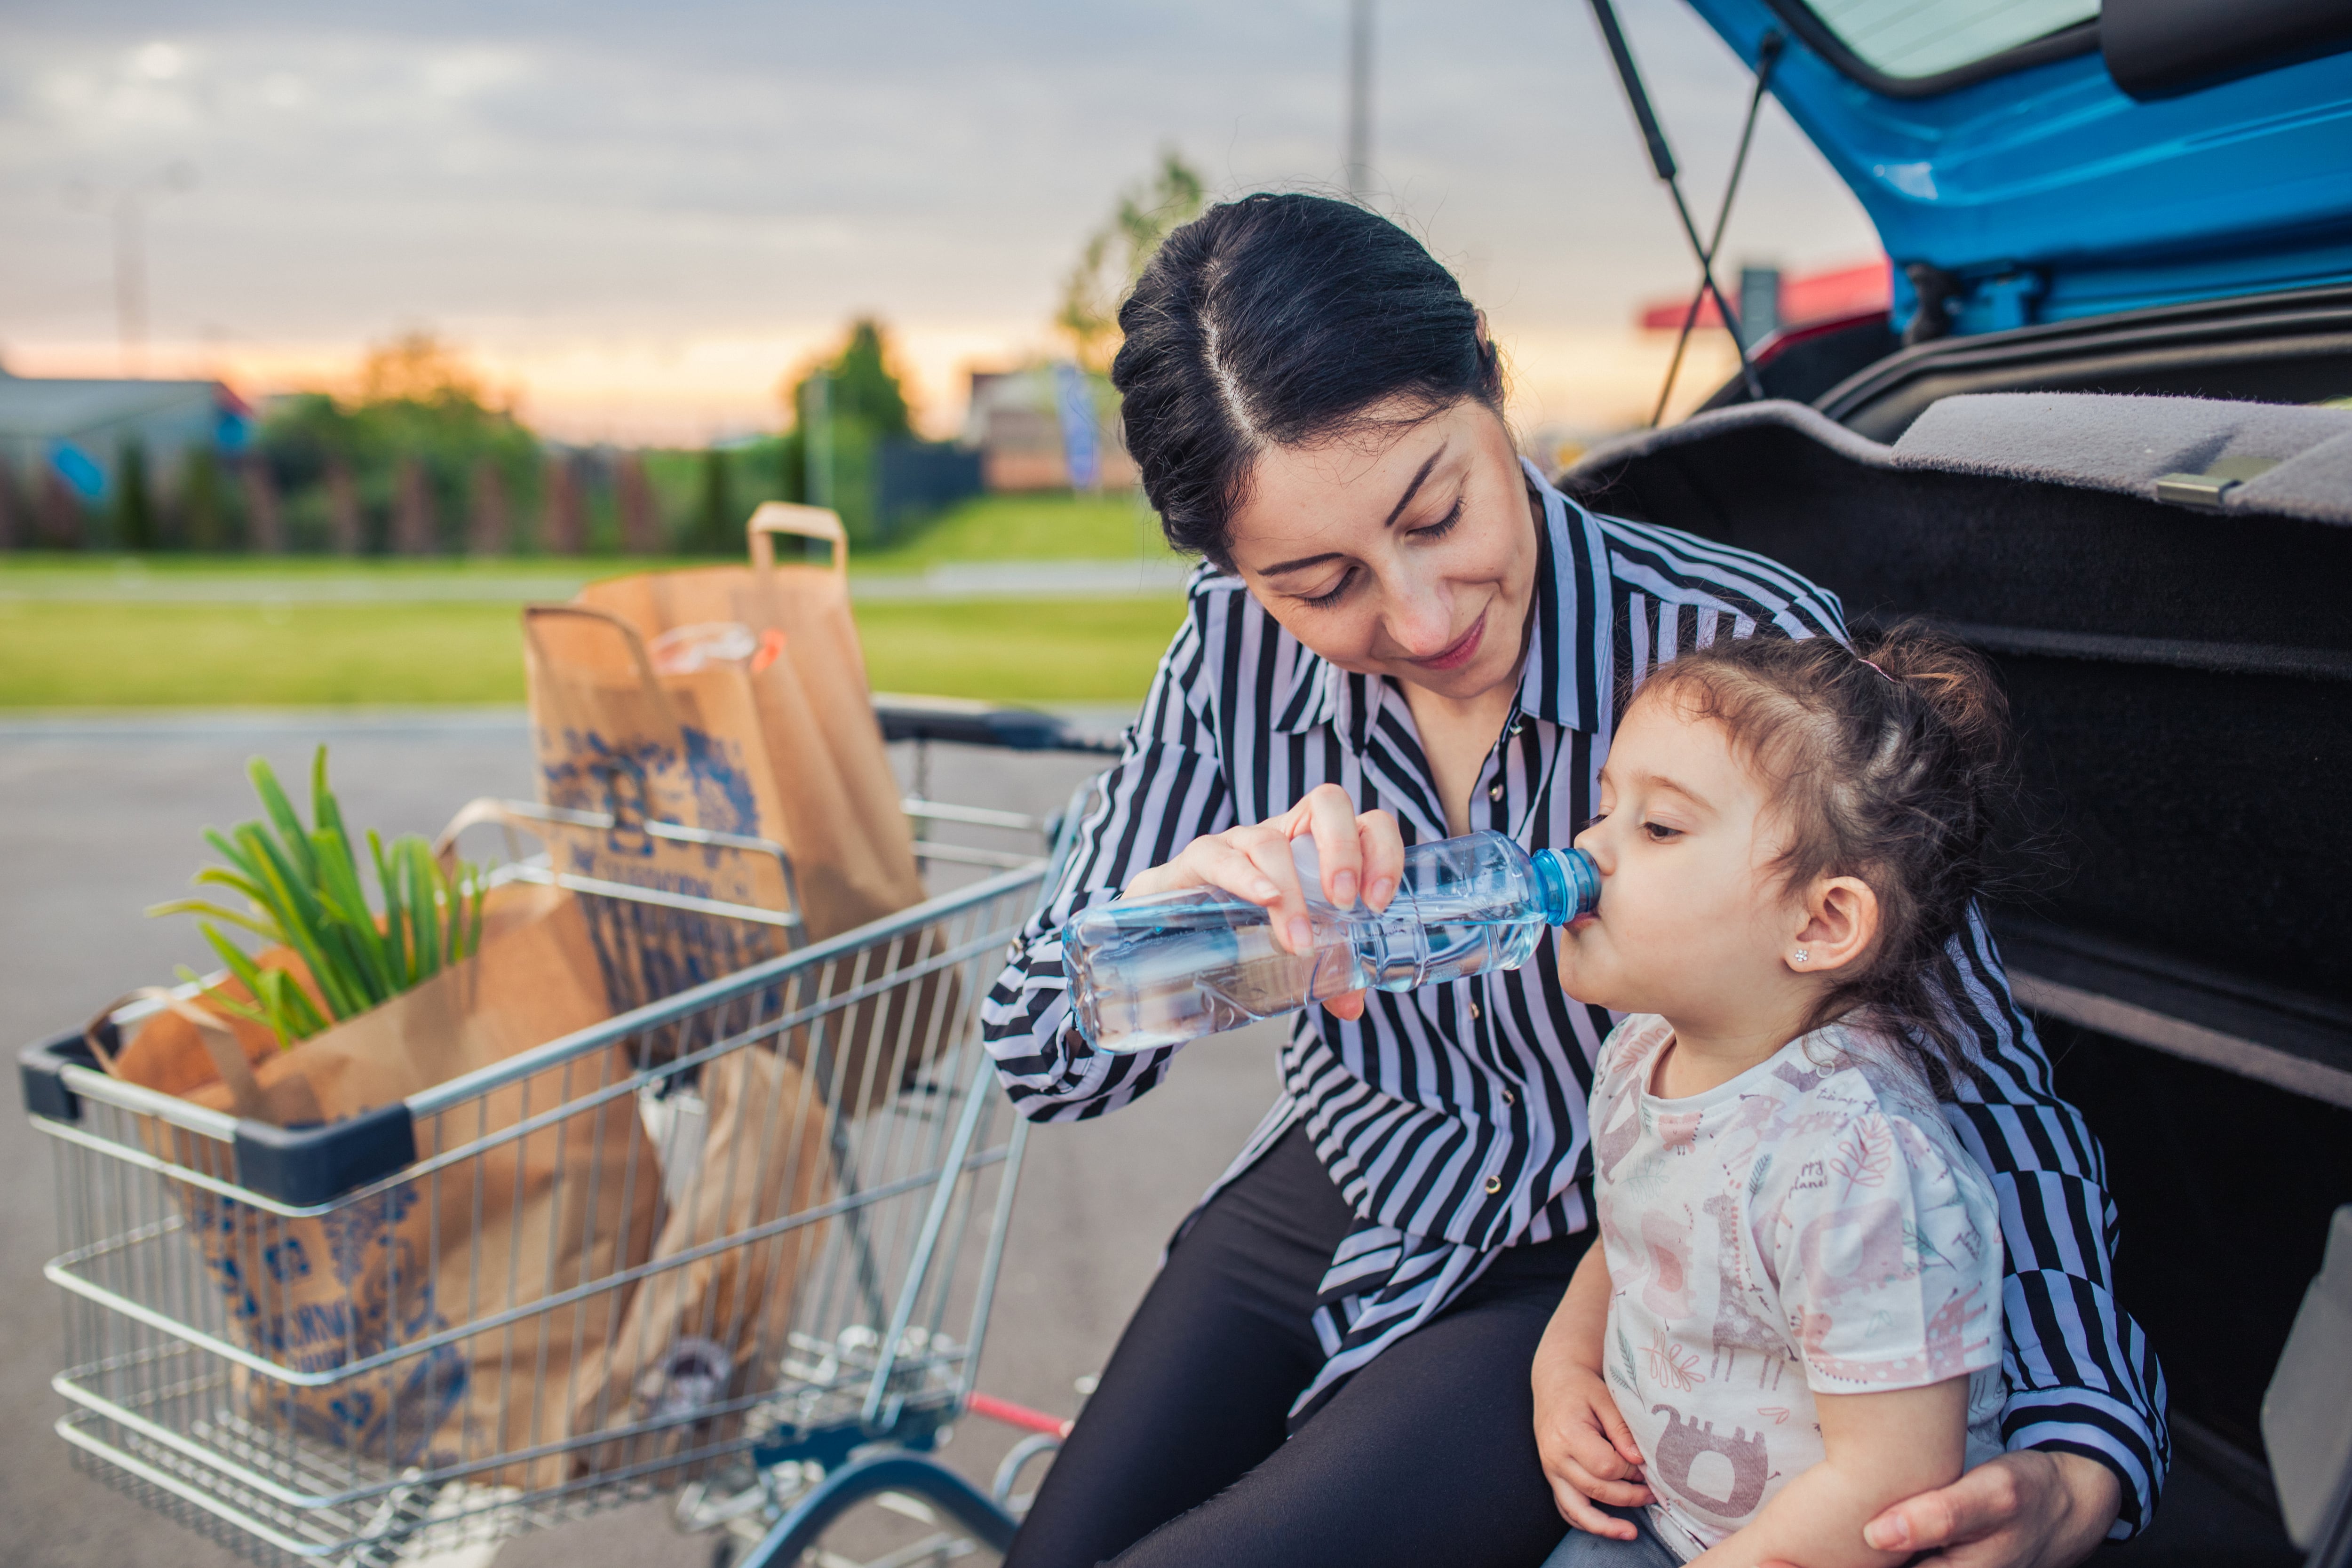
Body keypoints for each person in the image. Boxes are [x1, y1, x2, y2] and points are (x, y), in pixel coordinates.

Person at [980, 192, 2163, 1568]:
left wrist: (2087, 1445)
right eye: (1318, 584)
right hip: (1346, 1170)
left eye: (1439, 509)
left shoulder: (1735, 652)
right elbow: (1043, 1058)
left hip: (1602, 1244)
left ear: (1493, 376)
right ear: (1240, 576)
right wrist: (1178, 915)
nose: (1421, 619)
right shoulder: (1232, 653)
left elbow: (1973, 1073)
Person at [1536, 627, 2015, 1567]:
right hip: (1666, 1520)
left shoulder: (1857, 1166)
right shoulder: (1644, 1049)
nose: (1588, 847)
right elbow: (1638, 1230)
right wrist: (1563, 1363)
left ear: (1823, 919)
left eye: (1659, 826)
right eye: (1605, 807)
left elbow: (1890, 1480)